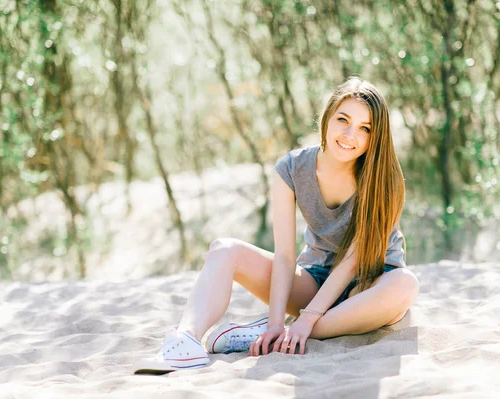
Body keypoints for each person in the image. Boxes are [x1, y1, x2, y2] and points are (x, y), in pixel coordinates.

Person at [133, 77, 420, 374]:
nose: (350, 135)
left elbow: (352, 262)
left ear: (376, 136)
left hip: (370, 288)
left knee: (406, 284)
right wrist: (274, 322)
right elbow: (284, 254)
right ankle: (186, 341)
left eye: (365, 128)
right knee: (224, 249)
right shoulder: (292, 168)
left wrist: (306, 320)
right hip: (316, 279)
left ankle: (282, 334)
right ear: (327, 118)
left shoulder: (385, 179)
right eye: (343, 120)